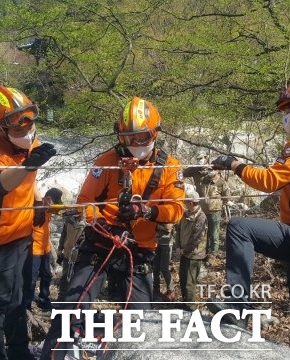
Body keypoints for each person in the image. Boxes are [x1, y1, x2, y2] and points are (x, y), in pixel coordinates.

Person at [40, 97, 185, 360]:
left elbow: (176, 209)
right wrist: (102, 222)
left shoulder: (169, 168)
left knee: (141, 318)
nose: (135, 145)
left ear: (155, 133)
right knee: (72, 304)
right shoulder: (107, 161)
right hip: (101, 245)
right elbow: (85, 201)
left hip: (138, 250)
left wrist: (147, 211)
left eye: (141, 137)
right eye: (129, 138)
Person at [206, 77, 290, 355]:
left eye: (287, 111)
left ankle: (237, 304)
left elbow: (269, 181)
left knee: (239, 227)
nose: (285, 117)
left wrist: (235, 164)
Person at [0, 84, 57, 360]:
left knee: (19, 298)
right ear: (1, 127)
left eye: (29, 122)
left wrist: (37, 204)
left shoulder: (29, 146)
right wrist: (27, 166)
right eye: (18, 127)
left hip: (22, 234)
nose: (26, 131)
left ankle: (20, 351)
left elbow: (28, 183)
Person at [183, 152, 230, 258]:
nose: (208, 172)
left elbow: (226, 195)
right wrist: (197, 167)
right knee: (203, 231)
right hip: (201, 209)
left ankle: (213, 253)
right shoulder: (197, 173)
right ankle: (205, 251)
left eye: (202, 158)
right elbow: (184, 173)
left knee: (213, 232)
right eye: (198, 158)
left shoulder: (218, 179)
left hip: (214, 210)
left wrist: (223, 204)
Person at [26, 187, 63, 313]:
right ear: (48, 198)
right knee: (31, 278)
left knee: (47, 275)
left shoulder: (49, 208)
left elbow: (61, 210)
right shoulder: (36, 207)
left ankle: (44, 300)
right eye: (53, 201)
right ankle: (26, 304)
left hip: (45, 248)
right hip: (34, 249)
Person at [175, 188, 207, 311]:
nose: (184, 204)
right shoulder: (185, 214)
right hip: (183, 252)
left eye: (186, 202)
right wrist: (178, 246)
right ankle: (185, 303)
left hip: (194, 255)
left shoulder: (201, 217)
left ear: (192, 203)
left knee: (190, 282)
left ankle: (190, 307)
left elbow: (197, 238)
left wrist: (185, 250)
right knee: (183, 279)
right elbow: (178, 230)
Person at [55, 208, 84, 298]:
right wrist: (60, 248)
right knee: (65, 276)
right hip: (67, 253)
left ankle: (73, 299)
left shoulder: (87, 224)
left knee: (77, 278)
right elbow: (63, 236)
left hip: (80, 256)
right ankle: (62, 297)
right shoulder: (69, 221)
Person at [152, 223, 175, 301]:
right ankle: (156, 290)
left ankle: (170, 290)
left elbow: (168, 228)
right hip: (156, 242)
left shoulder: (170, 213)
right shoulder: (157, 212)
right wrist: (158, 226)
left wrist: (159, 226)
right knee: (156, 268)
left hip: (167, 243)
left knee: (164, 268)